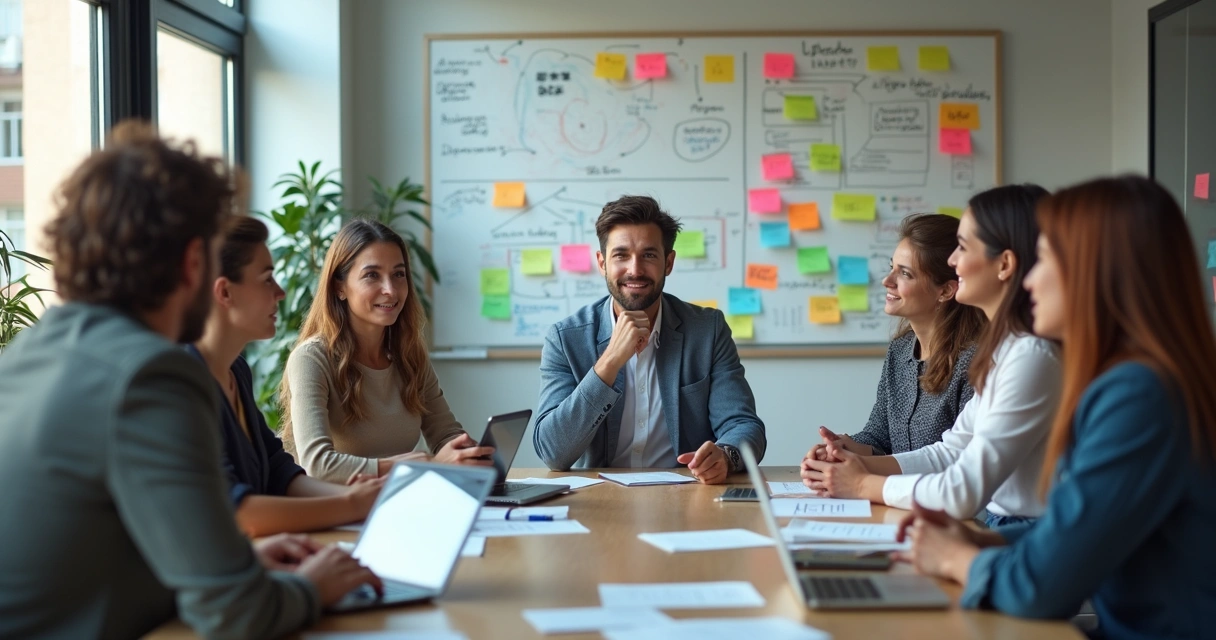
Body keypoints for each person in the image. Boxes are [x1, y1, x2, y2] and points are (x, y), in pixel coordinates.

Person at [0, 122, 380, 639]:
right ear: (194, 262)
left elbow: (87, 560)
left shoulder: (35, 351)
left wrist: (238, 557)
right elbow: (235, 615)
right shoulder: (151, 376)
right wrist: (314, 586)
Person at [896, 176, 1216, 639]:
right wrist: (990, 539)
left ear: (1096, 271)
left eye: (1044, 258)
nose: (1030, 278)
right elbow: (1086, 530)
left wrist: (954, 558)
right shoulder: (1135, 379)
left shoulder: (1139, 395)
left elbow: (1040, 587)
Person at [803, 185, 1059, 526]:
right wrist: (854, 463)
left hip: (1012, 526)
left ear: (1005, 265)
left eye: (964, 248)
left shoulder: (1028, 356)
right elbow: (949, 451)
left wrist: (863, 483)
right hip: (991, 519)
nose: (954, 261)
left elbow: (961, 488)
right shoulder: (1008, 350)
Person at [534, 195, 766, 484]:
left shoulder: (707, 330)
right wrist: (608, 363)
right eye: (621, 255)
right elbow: (553, 452)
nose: (635, 269)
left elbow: (743, 425)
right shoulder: (565, 339)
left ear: (668, 262)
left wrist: (726, 455)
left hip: (686, 498)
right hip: (601, 500)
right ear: (602, 262)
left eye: (649, 255)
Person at [189, 216, 386, 537]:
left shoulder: (235, 370)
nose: (280, 293)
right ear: (224, 292)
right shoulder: (183, 380)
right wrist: (351, 505)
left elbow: (278, 470)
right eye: (267, 279)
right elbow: (234, 510)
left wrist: (362, 498)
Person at [281, 218, 492, 483]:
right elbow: (318, 464)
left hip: (403, 504)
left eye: (398, 274)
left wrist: (466, 453)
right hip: (341, 515)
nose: (390, 290)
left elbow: (445, 434)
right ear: (340, 287)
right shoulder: (311, 358)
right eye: (372, 275)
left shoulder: (409, 355)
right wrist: (421, 465)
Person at [808, 213, 986, 459]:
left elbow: (959, 461)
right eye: (892, 267)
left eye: (905, 274)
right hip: (894, 496)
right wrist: (841, 448)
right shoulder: (900, 350)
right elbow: (879, 437)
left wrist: (862, 474)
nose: (886, 281)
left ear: (945, 290)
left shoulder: (975, 361)